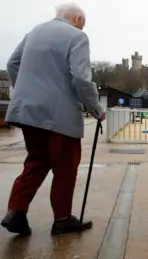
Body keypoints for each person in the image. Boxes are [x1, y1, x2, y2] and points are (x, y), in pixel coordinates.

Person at [0, 2, 106, 236]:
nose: (82, 28)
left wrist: (27, 91)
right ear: (77, 18)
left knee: (36, 161)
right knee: (65, 167)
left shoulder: (34, 32)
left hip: (28, 111)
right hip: (60, 114)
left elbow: (12, 63)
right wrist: (96, 108)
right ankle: (62, 219)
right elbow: (81, 77)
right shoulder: (77, 37)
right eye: (82, 24)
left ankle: (16, 211)